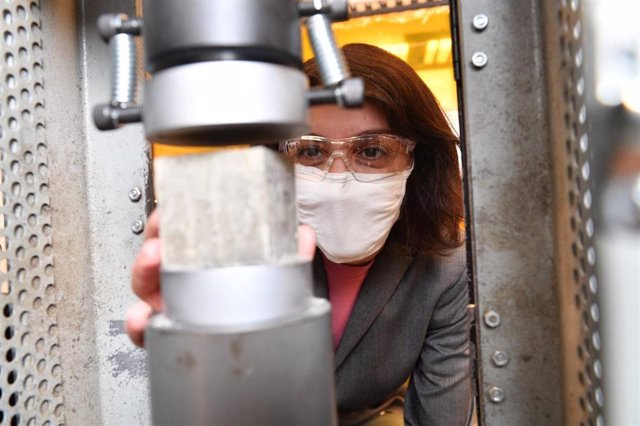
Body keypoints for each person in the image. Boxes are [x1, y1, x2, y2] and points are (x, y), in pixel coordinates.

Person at [127, 43, 472, 425]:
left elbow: (442, 417)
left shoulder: (447, 264)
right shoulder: (246, 250)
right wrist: (197, 365)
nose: (338, 178)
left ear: (415, 159)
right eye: (310, 151)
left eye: (372, 151)